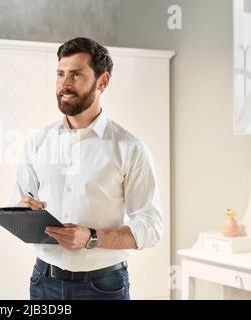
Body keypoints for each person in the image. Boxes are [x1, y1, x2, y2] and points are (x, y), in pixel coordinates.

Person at [10, 37, 162, 300]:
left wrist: (91, 238)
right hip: (43, 282)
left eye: (76, 74)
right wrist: (23, 212)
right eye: (60, 74)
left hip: (103, 288)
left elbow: (150, 228)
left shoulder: (129, 148)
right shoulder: (37, 142)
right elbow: (20, 203)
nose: (65, 84)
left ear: (102, 81)